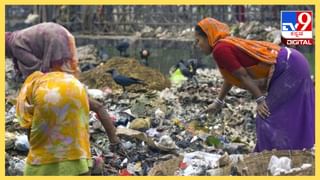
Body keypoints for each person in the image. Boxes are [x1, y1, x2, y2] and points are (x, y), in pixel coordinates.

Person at [5, 22, 123, 164]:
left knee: (40, 108)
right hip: (63, 36)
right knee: (85, 101)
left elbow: (34, 71)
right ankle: (115, 142)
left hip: (55, 44)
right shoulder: (18, 38)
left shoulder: (15, 45)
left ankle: (38, 153)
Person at [195, 18, 314, 152]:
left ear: (208, 36)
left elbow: (242, 75)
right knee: (292, 111)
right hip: (293, 61)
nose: (197, 45)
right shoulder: (224, 45)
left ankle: (270, 156)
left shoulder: (220, 49)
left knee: (265, 116)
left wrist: (260, 100)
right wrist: (218, 101)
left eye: (198, 40)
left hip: (289, 66)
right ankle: (291, 151)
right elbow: (230, 76)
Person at [16, 71, 92, 175]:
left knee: (43, 138)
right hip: (76, 87)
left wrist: (35, 148)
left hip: (48, 94)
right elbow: (98, 108)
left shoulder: (25, 92)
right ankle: (80, 163)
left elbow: (27, 123)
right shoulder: (52, 78)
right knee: (75, 130)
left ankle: (40, 168)